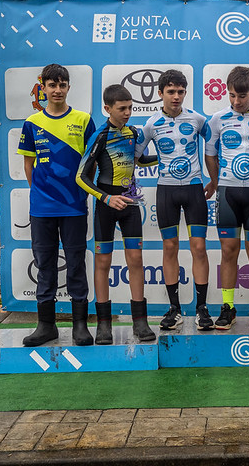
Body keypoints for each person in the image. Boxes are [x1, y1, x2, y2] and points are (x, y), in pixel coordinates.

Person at [17, 63, 96, 347]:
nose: (58, 90)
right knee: (45, 265)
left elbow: (92, 161)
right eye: (52, 85)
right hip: (42, 208)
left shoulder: (84, 120)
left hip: (74, 205)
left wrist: (81, 191)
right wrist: (40, 191)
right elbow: (28, 164)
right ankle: (45, 325)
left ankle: (80, 326)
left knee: (76, 263)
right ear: (44, 88)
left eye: (62, 85)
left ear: (68, 87)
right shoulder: (32, 122)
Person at [76, 84, 158, 344]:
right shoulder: (100, 136)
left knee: (136, 260)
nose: (127, 113)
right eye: (122, 109)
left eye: (131, 108)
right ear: (107, 108)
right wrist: (107, 198)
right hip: (106, 205)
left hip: (130, 203)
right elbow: (81, 176)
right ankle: (103, 325)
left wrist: (169, 154)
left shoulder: (133, 133)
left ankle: (140, 322)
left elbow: (141, 161)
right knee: (103, 263)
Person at [135, 69, 214, 331]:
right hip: (166, 191)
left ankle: (202, 309)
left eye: (181, 91)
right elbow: (135, 156)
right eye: (171, 92)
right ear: (160, 94)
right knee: (169, 248)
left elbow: (216, 147)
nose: (176, 96)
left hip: (194, 190)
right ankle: (175, 309)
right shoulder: (151, 124)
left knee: (199, 248)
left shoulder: (198, 120)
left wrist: (214, 179)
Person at [205, 67, 249, 329]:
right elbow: (210, 154)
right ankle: (228, 307)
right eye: (232, 95)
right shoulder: (217, 119)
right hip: (227, 193)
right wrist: (214, 181)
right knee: (228, 251)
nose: (236, 101)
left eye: (242, 96)